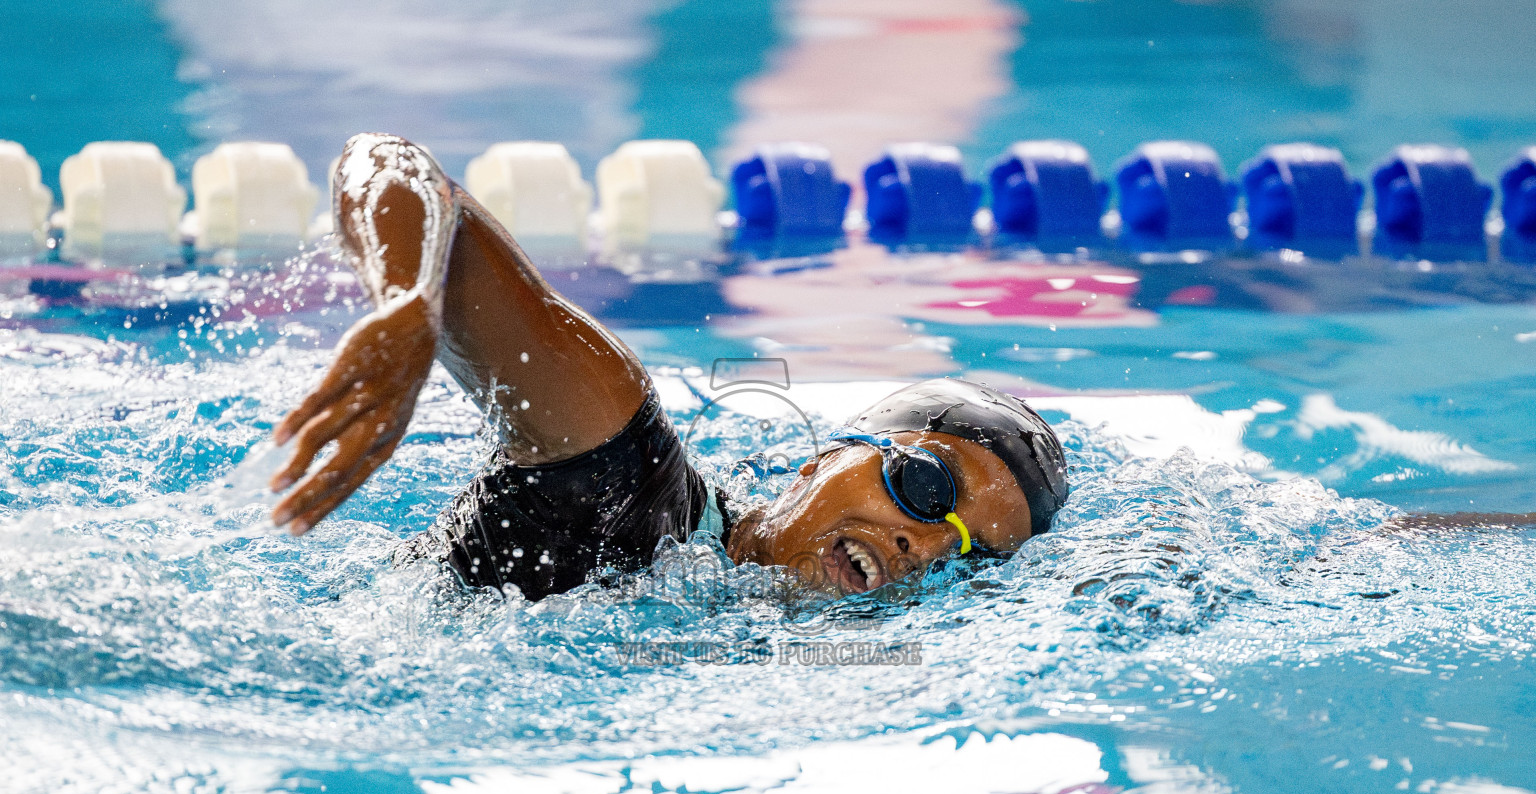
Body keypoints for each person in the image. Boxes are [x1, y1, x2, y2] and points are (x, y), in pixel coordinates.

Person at [269, 134, 1070, 600]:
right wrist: (409, 304)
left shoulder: (824, 672)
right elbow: (384, 161)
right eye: (927, 487)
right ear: (826, 456)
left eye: (972, 558)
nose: (924, 546)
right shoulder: (620, 470)